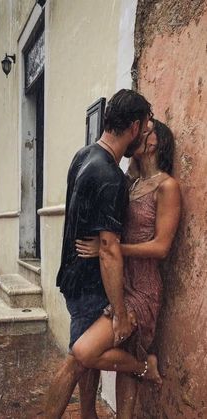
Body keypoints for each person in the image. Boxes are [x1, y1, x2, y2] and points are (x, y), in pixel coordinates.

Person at [45, 89, 152, 418]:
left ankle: (88, 413)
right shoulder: (111, 177)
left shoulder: (84, 155)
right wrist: (120, 312)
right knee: (77, 362)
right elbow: (108, 250)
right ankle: (140, 369)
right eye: (145, 127)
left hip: (73, 278)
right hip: (89, 286)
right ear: (133, 127)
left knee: (82, 364)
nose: (146, 135)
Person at [74, 118, 181, 418]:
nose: (138, 135)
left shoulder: (167, 187)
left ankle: (146, 366)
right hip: (120, 283)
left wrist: (113, 250)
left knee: (84, 352)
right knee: (126, 359)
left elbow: (161, 247)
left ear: (154, 143)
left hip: (144, 288)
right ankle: (143, 366)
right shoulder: (128, 181)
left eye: (145, 132)